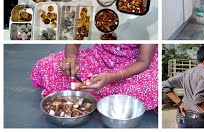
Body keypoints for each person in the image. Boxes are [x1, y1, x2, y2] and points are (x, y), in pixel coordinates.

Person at [30, 44, 158, 110]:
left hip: (132, 64)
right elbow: (74, 41)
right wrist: (71, 58)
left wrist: (111, 78)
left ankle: (90, 96)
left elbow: (143, 62)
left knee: (150, 88)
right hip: (99, 56)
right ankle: (102, 98)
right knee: (47, 65)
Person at [162, 45, 204, 128]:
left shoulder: (187, 73)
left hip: (187, 120)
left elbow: (165, 85)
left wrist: (180, 103)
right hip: (201, 122)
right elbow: (199, 99)